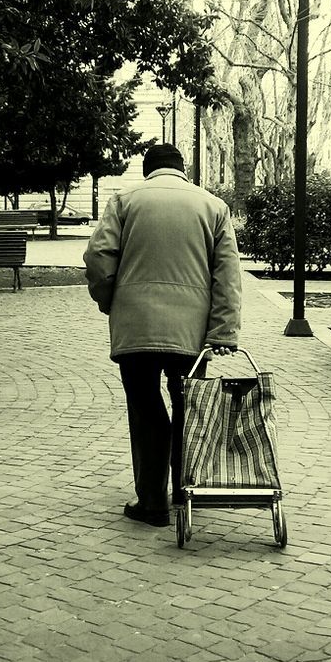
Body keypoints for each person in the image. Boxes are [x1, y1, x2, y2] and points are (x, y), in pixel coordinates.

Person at [83, 143, 243, 528]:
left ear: (147, 169)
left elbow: (98, 259)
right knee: (188, 409)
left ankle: (151, 502)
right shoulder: (213, 206)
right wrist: (223, 330)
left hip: (136, 326)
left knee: (145, 409)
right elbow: (228, 276)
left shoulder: (125, 201)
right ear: (183, 169)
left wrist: (111, 302)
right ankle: (185, 492)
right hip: (191, 332)